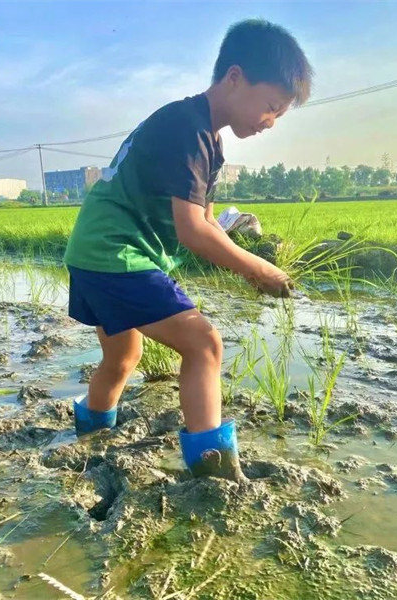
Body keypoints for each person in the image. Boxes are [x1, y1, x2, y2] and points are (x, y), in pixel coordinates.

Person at [62, 19, 314, 482]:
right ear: (235, 77)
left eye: (280, 114)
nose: (271, 122)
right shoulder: (189, 129)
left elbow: (205, 222)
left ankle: (88, 438)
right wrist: (259, 269)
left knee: (122, 357)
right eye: (271, 106)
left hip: (92, 251)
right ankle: (214, 473)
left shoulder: (205, 138)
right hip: (118, 255)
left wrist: (239, 237)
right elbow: (192, 232)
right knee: (204, 344)